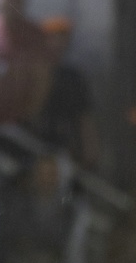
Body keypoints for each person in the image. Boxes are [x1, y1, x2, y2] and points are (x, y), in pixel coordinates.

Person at [34, 17, 98, 168]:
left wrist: (90, 146)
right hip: (33, 142)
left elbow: (84, 115)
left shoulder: (72, 77)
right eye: (53, 37)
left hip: (65, 145)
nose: (57, 43)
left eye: (63, 38)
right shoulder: (31, 73)